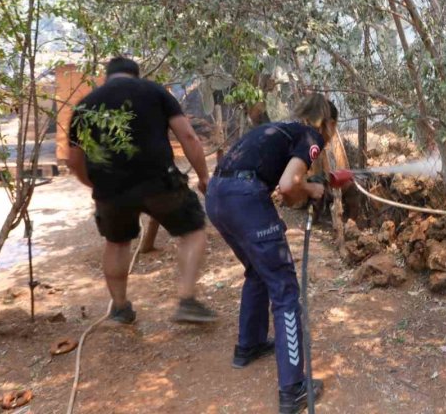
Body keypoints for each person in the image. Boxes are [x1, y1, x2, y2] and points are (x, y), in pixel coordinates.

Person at [205, 94, 335, 414]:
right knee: (285, 288)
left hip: (217, 196)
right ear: (327, 123)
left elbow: (286, 191)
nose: (331, 136)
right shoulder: (310, 136)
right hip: (246, 199)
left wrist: (306, 187)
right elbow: (289, 186)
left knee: (257, 270)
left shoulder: (276, 129)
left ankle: (248, 346)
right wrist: (312, 189)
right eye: (333, 128)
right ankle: (293, 389)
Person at [67, 56, 217, 325]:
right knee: (193, 231)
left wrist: (93, 183)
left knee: (116, 243)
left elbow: (73, 159)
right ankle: (187, 300)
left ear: (107, 76)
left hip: (111, 189)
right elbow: (189, 136)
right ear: (134, 75)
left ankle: (121, 308)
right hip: (159, 182)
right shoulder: (155, 91)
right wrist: (204, 176)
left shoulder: (86, 104)